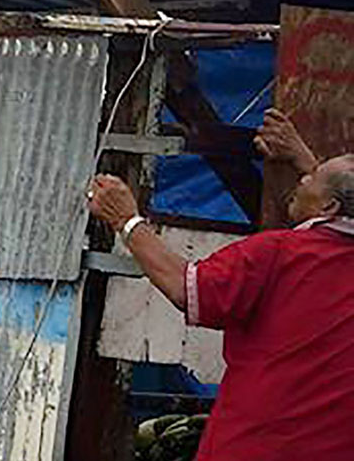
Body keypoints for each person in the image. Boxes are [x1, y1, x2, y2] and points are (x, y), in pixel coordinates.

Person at [88, 108, 354, 460]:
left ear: (330, 207)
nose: (303, 179)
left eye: (312, 177)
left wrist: (126, 219)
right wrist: (304, 159)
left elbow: (186, 288)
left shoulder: (279, 254)